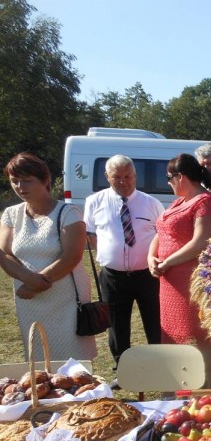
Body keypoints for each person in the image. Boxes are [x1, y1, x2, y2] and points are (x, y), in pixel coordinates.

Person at [0, 153, 97, 361]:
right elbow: (5, 253)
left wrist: (38, 282)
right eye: (14, 181)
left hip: (66, 299)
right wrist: (29, 281)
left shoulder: (68, 212)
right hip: (28, 299)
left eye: (27, 180)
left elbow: (72, 257)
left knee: (73, 357)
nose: (20, 186)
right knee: (37, 355)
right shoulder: (10, 214)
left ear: (45, 180)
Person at [148, 153, 211, 387]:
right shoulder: (178, 202)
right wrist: (151, 256)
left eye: (169, 179)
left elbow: (200, 242)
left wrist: (168, 261)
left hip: (192, 280)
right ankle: (179, 387)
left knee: (199, 334)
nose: (168, 184)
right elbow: (161, 233)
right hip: (169, 284)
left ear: (180, 177)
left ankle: (207, 390)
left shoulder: (205, 201)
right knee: (174, 334)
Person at [83, 155, 164, 372]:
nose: (123, 181)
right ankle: (123, 368)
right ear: (107, 176)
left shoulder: (152, 204)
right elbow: (90, 234)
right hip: (112, 276)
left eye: (128, 176)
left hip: (147, 275)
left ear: (135, 175)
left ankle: (159, 366)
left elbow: (163, 237)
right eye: (117, 176)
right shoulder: (94, 202)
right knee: (117, 325)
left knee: (155, 321)